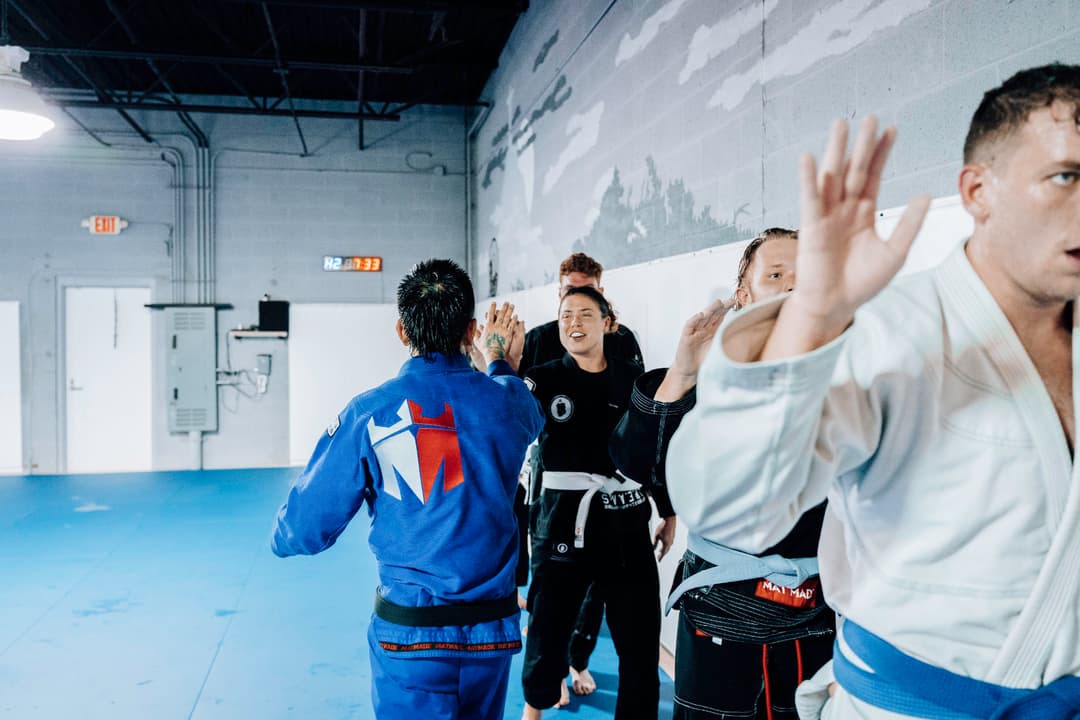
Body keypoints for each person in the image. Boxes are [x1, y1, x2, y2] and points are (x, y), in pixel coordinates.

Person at [667, 64, 1080, 719]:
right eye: (1066, 177)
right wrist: (812, 316)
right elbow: (726, 506)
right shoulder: (891, 334)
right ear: (978, 191)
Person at [270, 259, 545, 719]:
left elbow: (303, 530)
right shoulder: (508, 403)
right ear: (472, 330)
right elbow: (519, 402)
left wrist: (280, 535)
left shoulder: (370, 412)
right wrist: (499, 358)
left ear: (402, 330)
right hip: (490, 636)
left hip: (411, 635)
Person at [610, 228, 836, 720]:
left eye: (804, 277)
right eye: (776, 275)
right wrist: (684, 372)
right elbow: (637, 464)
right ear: (743, 295)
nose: (791, 287)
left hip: (817, 615)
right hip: (721, 612)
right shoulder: (710, 383)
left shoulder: (849, 376)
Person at [521, 286, 676, 720]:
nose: (574, 322)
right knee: (548, 629)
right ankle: (533, 709)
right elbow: (506, 421)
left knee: (641, 644)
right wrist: (494, 366)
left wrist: (667, 507)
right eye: (566, 314)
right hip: (562, 525)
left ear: (608, 323)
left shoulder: (634, 379)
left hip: (625, 523)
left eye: (586, 314)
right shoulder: (544, 377)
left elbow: (654, 448)